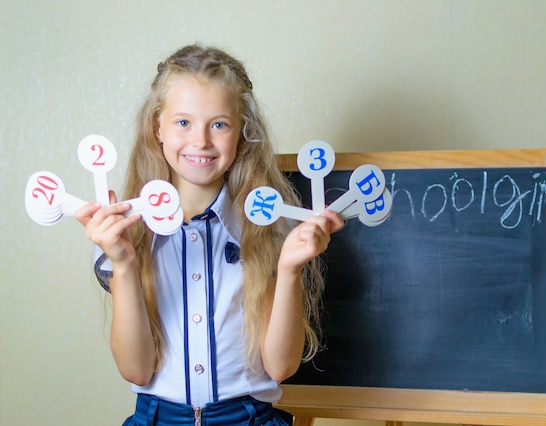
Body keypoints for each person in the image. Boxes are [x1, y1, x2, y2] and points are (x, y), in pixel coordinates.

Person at [75, 44, 344, 426]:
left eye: (219, 124)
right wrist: (122, 264)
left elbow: (280, 367)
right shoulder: (125, 235)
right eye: (183, 122)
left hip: (249, 416)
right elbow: (137, 371)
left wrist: (289, 270)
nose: (200, 141)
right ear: (157, 128)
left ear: (242, 132)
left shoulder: (271, 229)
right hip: (157, 417)